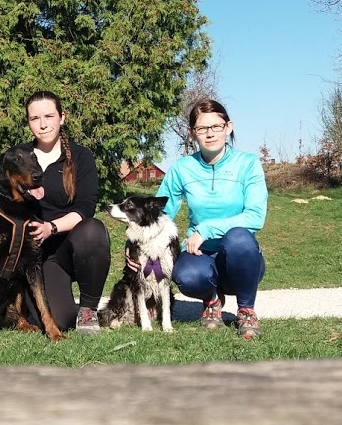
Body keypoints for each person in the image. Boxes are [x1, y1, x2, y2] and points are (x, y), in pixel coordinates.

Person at [129, 98, 267, 340]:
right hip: (199, 255)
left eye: (216, 126)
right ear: (192, 133)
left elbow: (255, 216)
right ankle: (212, 302)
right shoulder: (182, 168)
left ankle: (246, 310)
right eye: (202, 128)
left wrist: (206, 229)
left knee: (239, 238)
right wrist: (133, 244)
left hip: (240, 257)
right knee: (185, 275)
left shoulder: (248, 163)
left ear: (228, 127)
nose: (210, 133)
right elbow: (158, 212)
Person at [20, 90, 111, 335]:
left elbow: (85, 208)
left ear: (62, 117)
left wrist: (52, 227)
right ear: (28, 122)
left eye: (49, 116)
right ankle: (36, 301)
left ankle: (88, 310)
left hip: (72, 242)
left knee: (93, 230)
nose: (42, 124)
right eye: (34, 118)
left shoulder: (81, 157)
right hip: (41, 257)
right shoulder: (19, 157)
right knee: (61, 321)